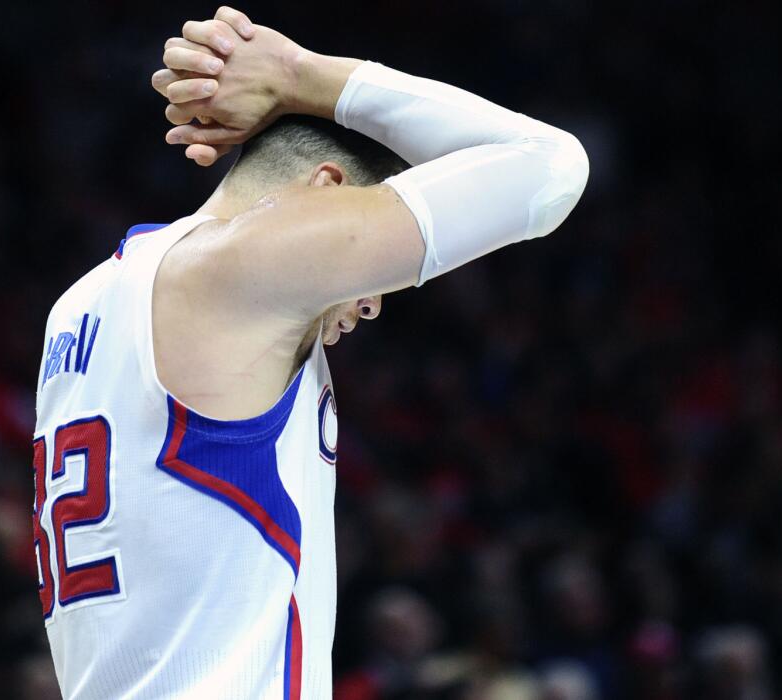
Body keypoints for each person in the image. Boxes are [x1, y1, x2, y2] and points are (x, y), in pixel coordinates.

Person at [31, 6, 588, 698]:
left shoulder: (81, 304)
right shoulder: (247, 264)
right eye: (371, 274)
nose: (373, 300)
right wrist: (300, 75)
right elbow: (551, 167)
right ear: (326, 192)